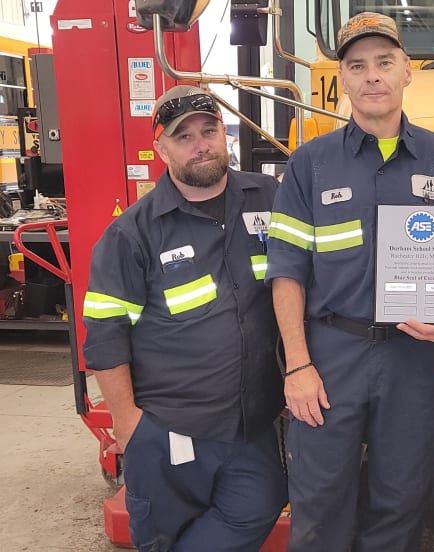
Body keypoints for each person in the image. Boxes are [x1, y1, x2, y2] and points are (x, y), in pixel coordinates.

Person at [265, 12, 434, 552]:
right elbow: (286, 269)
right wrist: (297, 366)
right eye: (357, 66)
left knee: (401, 504)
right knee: (319, 507)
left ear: (407, 71)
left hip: (415, 360)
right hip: (329, 357)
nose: (372, 76)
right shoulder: (309, 164)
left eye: (384, 62)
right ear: (343, 79)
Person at [81, 85, 287, 551]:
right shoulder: (132, 234)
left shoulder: (267, 197)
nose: (201, 145)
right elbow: (106, 335)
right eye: (184, 136)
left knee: (259, 505)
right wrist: (128, 424)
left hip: (250, 422)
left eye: (209, 131)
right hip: (169, 426)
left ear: (224, 135)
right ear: (162, 149)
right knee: (162, 535)